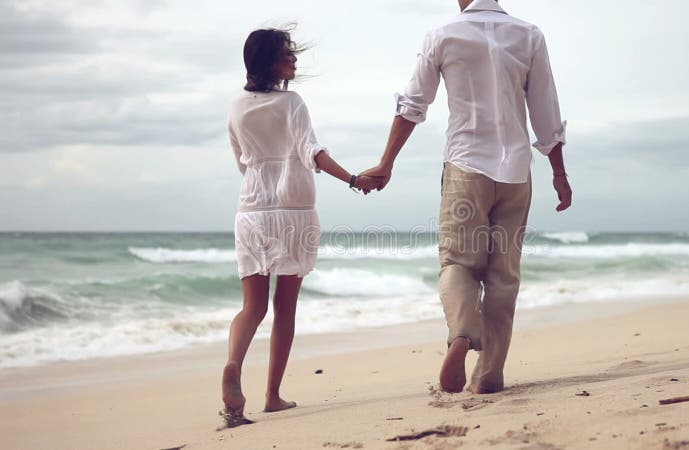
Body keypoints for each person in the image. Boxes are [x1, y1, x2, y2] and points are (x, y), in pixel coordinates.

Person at [361, 0, 573, 394]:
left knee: (458, 263)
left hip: (465, 167)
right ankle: (489, 374)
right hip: (515, 173)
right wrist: (559, 172)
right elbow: (546, 110)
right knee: (503, 276)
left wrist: (386, 163)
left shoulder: (442, 35)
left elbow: (412, 104)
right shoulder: (529, 34)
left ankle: (461, 335)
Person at [221, 27, 380, 428]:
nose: (294, 61)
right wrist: (352, 179)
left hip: (252, 209)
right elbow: (314, 152)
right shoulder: (291, 102)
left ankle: (233, 364)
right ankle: (272, 396)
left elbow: (242, 160)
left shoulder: (236, 105)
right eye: (287, 55)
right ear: (270, 61)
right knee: (285, 307)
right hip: (294, 209)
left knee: (252, 306)